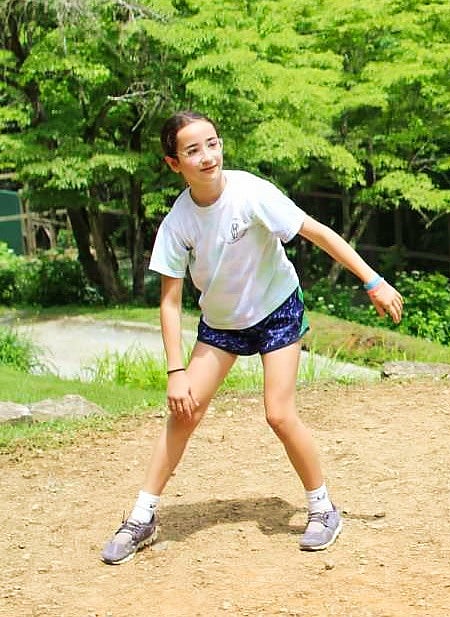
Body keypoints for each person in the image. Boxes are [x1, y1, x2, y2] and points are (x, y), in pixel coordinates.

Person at [100, 111, 404, 565]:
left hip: (276, 310)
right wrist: (175, 371)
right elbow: (169, 301)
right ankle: (143, 516)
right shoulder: (178, 222)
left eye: (213, 144)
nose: (207, 157)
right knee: (184, 411)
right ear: (174, 164)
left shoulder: (251, 192)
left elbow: (316, 233)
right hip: (222, 324)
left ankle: (323, 509)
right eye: (193, 150)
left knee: (279, 415)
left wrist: (372, 280)